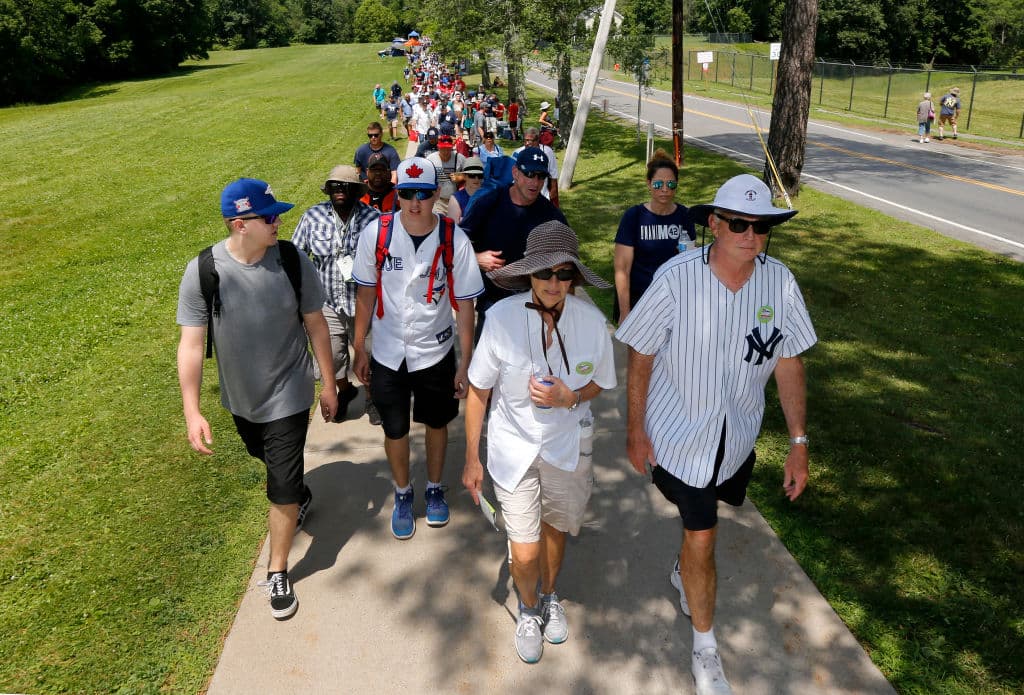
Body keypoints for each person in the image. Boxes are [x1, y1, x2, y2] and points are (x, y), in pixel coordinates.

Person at [615, 174, 816, 695]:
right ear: (714, 224)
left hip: (738, 438)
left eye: (762, 227)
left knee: (709, 519)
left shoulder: (781, 284)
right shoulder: (676, 279)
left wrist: (798, 445)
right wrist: (635, 429)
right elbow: (641, 352)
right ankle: (705, 649)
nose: (750, 235)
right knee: (702, 535)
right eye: (738, 224)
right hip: (680, 437)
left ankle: (686, 568)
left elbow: (789, 361)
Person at [176, 178, 338, 620]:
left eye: (277, 214)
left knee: (279, 486)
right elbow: (191, 344)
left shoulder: (290, 259)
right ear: (239, 225)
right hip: (240, 399)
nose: (278, 222)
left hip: (290, 392)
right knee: (265, 458)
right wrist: (193, 412)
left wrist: (328, 383)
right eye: (268, 217)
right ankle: (298, 492)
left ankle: (278, 570)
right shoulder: (204, 271)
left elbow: (316, 324)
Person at [463, 221, 616, 664]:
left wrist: (571, 397)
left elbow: (601, 382)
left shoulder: (590, 322)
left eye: (564, 274)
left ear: (574, 278)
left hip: (567, 448)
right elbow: (478, 390)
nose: (554, 283)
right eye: (545, 273)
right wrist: (472, 457)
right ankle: (528, 609)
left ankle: (551, 597)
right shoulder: (502, 319)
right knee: (525, 549)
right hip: (513, 449)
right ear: (529, 274)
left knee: (555, 532)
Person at [351, 158, 485, 540]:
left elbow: (465, 304)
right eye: (406, 194)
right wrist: (360, 347)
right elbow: (364, 293)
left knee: (437, 422)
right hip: (389, 350)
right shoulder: (375, 234)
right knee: (394, 428)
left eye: (423, 195)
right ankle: (403, 492)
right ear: (398, 194)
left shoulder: (453, 238)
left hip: (435, 350)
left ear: (435, 194)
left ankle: (435, 487)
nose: (414, 204)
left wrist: (465, 360)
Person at [291, 165, 382, 426]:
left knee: (370, 354)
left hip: (364, 302)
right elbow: (296, 257)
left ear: (357, 191)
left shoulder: (373, 219)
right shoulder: (312, 217)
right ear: (328, 190)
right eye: (335, 186)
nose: (340, 190)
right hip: (326, 302)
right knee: (330, 358)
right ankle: (344, 391)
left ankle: (371, 397)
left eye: (346, 186)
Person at [459, 147, 566, 337]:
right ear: (515, 172)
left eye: (541, 176)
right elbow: (455, 242)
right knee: (486, 366)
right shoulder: (489, 202)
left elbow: (568, 261)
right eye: (529, 174)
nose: (535, 182)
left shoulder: (552, 215)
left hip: (534, 306)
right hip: (492, 304)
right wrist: (476, 258)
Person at [613, 148, 696, 324]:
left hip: (673, 302)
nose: (665, 189)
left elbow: (688, 262)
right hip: (640, 302)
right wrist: (625, 312)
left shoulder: (685, 216)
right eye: (659, 184)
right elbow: (622, 269)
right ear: (649, 183)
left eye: (671, 184)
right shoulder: (633, 217)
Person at [514, 128, 559, 207]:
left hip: (543, 194)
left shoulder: (547, 151)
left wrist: (553, 190)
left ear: (537, 140)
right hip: (523, 196)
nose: (527, 143)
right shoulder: (517, 152)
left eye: (530, 140)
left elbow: (553, 172)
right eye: (525, 140)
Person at [426, 135, 466, 214]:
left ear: (452, 147)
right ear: (438, 147)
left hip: (456, 200)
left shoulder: (459, 158)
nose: (445, 151)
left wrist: (462, 177)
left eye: (448, 148)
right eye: (443, 148)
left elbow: (474, 174)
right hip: (438, 201)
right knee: (440, 222)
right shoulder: (430, 159)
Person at [448, 155, 484, 224]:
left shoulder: (489, 195)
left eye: (480, 175)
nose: (476, 179)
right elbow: (454, 226)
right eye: (472, 175)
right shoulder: (456, 198)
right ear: (464, 177)